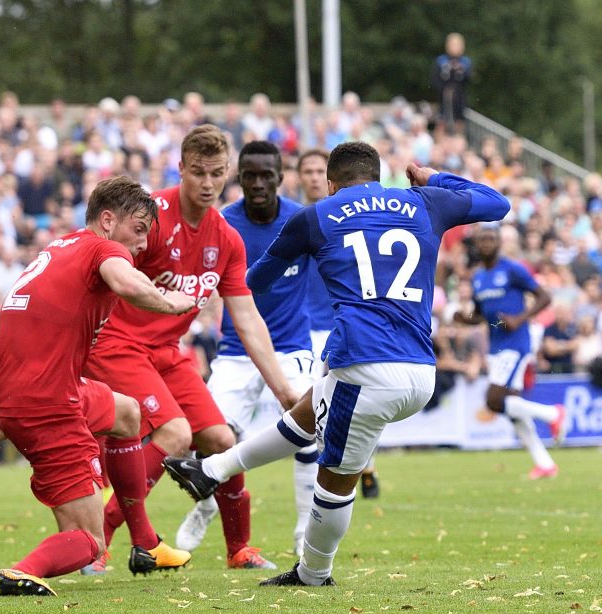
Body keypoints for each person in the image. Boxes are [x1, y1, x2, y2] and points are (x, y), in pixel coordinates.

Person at [163, 141, 511, 588]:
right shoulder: (426, 201)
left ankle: (313, 573)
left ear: (330, 183)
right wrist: (432, 177)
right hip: (420, 369)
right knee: (307, 412)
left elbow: (254, 282)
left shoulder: (315, 216)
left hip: (367, 368)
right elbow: (498, 204)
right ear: (379, 175)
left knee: (334, 483)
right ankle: (211, 470)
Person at [83, 125, 299, 573]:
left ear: (228, 176)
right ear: (180, 168)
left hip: (165, 351)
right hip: (117, 344)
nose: (207, 183)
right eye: (197, 172)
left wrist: (283, 389)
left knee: (221, 440)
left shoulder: (226, 238)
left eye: (217, 173)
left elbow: (247, 318)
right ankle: (95, 542)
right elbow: (100, 265)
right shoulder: (150, 218)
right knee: (176, 434)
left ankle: (239, 550)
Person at [0, 176, 195, 597]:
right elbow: (125, 281)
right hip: (48, 405)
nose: (141, 245)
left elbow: (29, 328)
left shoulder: (63, 247)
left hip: (37, 390)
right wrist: (169, 303)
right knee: (88, 540)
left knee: (128, 412)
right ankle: (19, 571)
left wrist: (5, 414)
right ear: (108, 219)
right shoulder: (104, 249)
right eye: (137, 231)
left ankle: (146, 543)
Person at [174, 141, 317, 556]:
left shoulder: (302, 221)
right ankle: (205, 507)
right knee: (214, 438)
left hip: (291, 347)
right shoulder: (222, 224)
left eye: (265, 175)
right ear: (239, 177)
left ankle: (304, 532)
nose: (257, 183)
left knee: (307, 433)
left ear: (280, 178)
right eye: (249, 175)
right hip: (236, 348)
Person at [297, 148, 382, 499]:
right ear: (299, 177)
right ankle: (341, 472)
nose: (315, 177)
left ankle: (361, 465)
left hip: (347, 325)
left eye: (320, 171)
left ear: (330, 178)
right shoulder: (299, 219)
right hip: (306, 328)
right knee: (315, 405)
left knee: (356, 399)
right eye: (308, 171)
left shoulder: (358, 217)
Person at [454, 224, 567, 479]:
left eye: (491, 239)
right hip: (495, 346)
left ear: (498, 243)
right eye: (482, 239)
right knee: (511, 409)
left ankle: (553, 413)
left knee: (493, 400)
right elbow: (484, 315)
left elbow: (544, 297)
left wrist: (520, 318)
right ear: (476, 245)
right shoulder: (478, 277)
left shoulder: (513, 269)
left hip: (515, 344)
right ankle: (545, 464)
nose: (486, 243)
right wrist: (465, 318)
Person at [431, 33, 472, 135]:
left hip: (459, 98)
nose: (455, 47)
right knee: (441, 123)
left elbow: (468, 79)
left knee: (459, 124)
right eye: (452, 44)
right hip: (443, 98)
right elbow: (435, 79)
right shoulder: (441, 60)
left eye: (457, 44)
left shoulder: (466, 62)